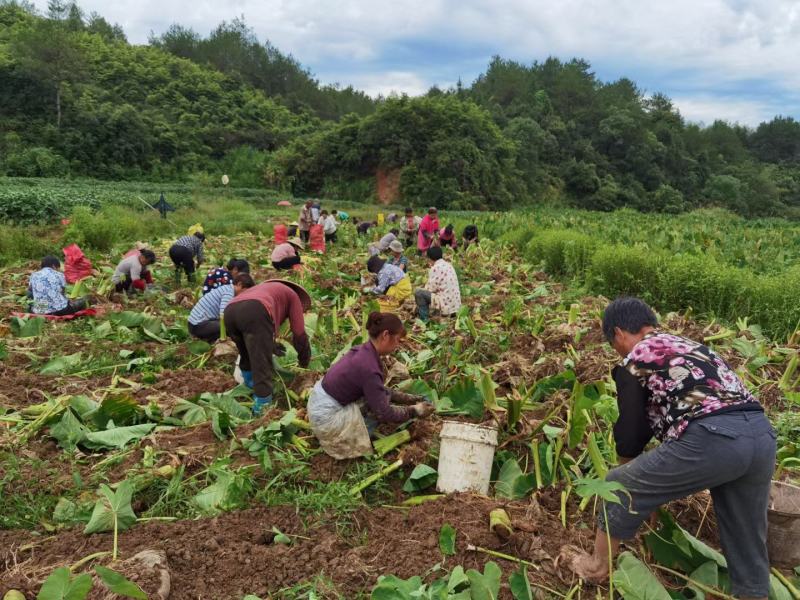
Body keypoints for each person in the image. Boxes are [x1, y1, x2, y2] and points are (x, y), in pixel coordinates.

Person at [564, 297, 775, 599]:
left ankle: (596, 566)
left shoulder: (637, 356)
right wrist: (652, 488)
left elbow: (632, 431)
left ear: (619, 333)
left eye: (614, 344)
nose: (618, 351)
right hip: (761, 435)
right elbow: (692, 401)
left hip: (715, 438)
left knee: (617, 484)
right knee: (745, 535)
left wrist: (632, 478)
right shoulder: (693, 348)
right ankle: (754, 594)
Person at [307, 312, 435, 459]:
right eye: (398, 340)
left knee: (378, 398)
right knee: (376, 411)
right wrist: (415, 411)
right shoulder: (369, 367)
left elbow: (379, 390)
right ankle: (346, 439)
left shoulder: (364, 350)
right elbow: (384, 412)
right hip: (326, 420)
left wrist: (411, 399)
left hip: (318, 403)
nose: (398, 346)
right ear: (385, 335)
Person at [224, 280, 312, 416]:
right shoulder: (293, 296)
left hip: (229, 311)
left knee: (246, 354)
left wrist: (271, 345)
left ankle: (248, 387)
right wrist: (304, 360)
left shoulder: (267, 290)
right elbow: (299, 333)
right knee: (261, 363)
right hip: (255, 310)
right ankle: (262, 410)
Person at [188, 273, 254, 342]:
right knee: (231, 329)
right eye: (246, 291)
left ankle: (209, 338)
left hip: (197, 323)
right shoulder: (229, 293)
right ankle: (209, 339)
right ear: (239, 284)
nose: (245, 295)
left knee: (232, 327)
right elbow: (224, 315)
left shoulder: (228, 288)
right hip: (197, 325)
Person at [414, 246, 461, 321]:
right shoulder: (449, 265)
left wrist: (422, 289)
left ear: (429, 258)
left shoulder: (435, 268)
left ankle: (424, 319)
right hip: (455, 305)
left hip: (445, 305)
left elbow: (430, 289)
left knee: (418, 293)